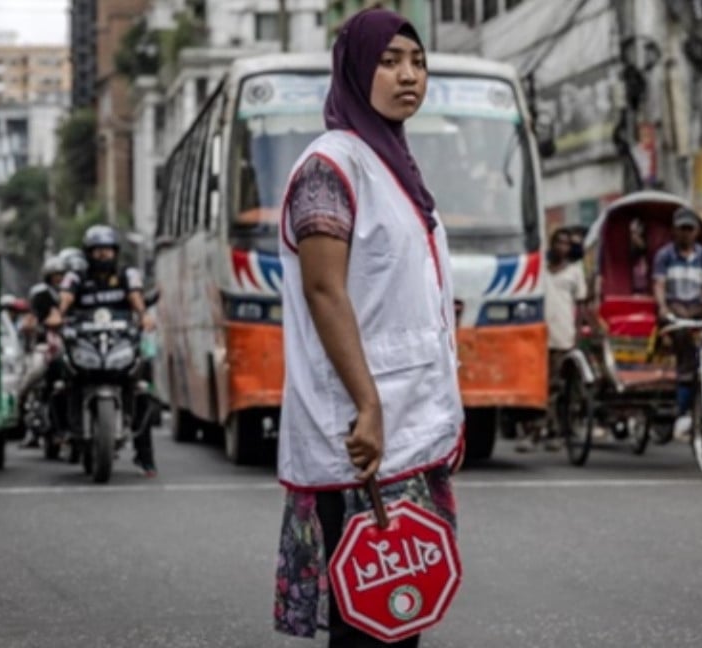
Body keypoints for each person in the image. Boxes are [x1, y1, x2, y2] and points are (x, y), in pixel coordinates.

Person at [273, 10, 463, 647]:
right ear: (355, 70)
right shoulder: (331, 166)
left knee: (396, 620)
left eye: (417, 61)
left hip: (404, 427)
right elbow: (325, 291)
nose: (409, 75)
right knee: (368, 631)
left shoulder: (395, 167)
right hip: (361, 433)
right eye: (389, 61)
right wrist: (368, 403)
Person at [50, 225, 157, 476]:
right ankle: (62, 431)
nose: (102, 255)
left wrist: (144, 316)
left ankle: (145, 456)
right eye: (97, 251)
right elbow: (65, 298)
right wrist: (58, 314)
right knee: (58, 375)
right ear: (88, 253)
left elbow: (135, 296)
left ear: (115, 252)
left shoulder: (127, 274)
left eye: (107, 250)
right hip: (84, 344)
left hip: (119, 344)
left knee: (142, 389)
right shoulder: (76, 276)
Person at [652, 207, 702, 439]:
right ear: (674, 231)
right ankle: (683, 405)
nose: (686, 234)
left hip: (698, 305)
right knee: (685, 348)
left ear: (696, 232)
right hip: (676, 305)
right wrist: (663, 309)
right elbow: (659, 285)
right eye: (682, 229)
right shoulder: (665, 255)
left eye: (690, 229)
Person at [517, 227, 588, 452]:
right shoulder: (539, 269)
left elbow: (581, 305)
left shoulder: (575, 272)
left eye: (566, 243)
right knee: (536, 389)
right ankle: (534, 431)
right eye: (558, 242)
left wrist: (577, 335)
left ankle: (555, 432)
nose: (562, 247)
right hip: (537, 337)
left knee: (558, 388)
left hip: (562, 338)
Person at [16, 255, 67, 448]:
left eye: (63, 275)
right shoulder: (41, 295)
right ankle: (23, 413)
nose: (60, 279)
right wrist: (33, 326)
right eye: (56, 276)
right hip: (45, 345)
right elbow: (29, 321)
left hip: (71, 345)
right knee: (34, 373)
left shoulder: (76, 293)